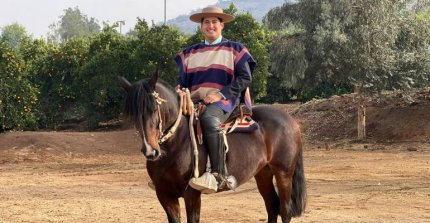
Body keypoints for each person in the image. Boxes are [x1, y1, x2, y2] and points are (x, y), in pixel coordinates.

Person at [174, 6, 256, 193]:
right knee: (172, 121)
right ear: (201, 26)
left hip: (224, 101)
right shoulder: (189, 53)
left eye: (214, 22)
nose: (210, 25)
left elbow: (245, 78)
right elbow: (182, 82)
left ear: (222, 25)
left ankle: (220, 175)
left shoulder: (235, 49)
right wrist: (178, 90)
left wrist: (220, 94)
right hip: (193, 101)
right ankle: (171, 175)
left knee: (209, 120)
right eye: (206, 22)